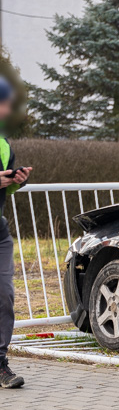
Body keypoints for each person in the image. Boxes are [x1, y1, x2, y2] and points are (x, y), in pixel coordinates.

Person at [0, 76, 31, 388]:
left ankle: (0, 364)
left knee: (5, 297)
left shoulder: (4, 144)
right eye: (3, 103)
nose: (7, 110)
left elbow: (7, 187)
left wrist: (18, 179)